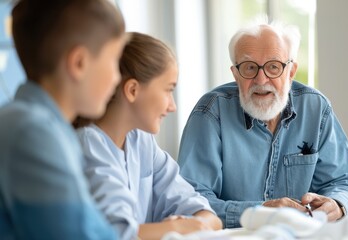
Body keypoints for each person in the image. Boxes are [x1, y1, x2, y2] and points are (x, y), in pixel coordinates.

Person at [177, 18, 348, 228]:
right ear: (235, 74)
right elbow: (192, 201)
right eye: (249, 67)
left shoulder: (316, 108)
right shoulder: (210, 112)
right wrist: (261, 212)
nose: (261, 80)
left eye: (273, 67)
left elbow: (342, 182)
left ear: (291, 72)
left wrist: (337, 204)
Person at [75, 32, 222, 240]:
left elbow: (208, 215)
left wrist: (198, 223)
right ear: (133, 90)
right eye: (168, 90)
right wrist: (179, 228)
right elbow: (115, 234)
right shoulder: (88, 145)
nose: (172, 106)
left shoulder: (141, 141)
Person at [0, 0, 127, 239]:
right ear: (79, 63)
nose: (116, 78)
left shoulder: (45, 128)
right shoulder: (32, 132)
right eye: (114, 61)